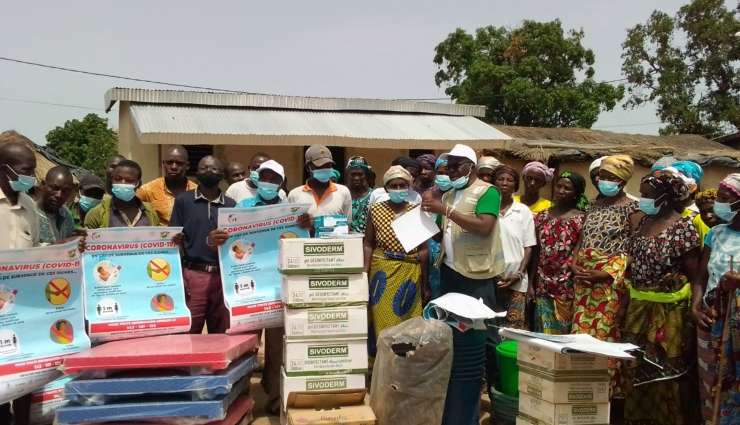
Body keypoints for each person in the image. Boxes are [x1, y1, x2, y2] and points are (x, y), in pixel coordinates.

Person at [421, 143, 502, 401]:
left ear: (471, 167)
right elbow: (439, 230)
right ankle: (461, 383)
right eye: (448, 167)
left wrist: (444, 209)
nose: (451, 172)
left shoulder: (487, 192)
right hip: (450, 271)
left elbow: (484, 227)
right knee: (453, 328)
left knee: (484, 331)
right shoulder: (449, 196)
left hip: (476, 274)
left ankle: (493, 388)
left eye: (457, 166)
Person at [622, 170, 700, 425]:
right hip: (638, 308)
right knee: (635, 367)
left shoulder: (683, 227)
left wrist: (694, 307)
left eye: (647, 195)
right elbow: (632, 267)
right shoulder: (643, 222)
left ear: (665, 197)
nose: (642, 200)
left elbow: (695, 275)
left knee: (667, 371)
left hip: (670, 313)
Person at [571, 155, 637, 399]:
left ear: (622, 180)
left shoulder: (633, 208)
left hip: (609, 284)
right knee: (582, 337)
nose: (603, 181)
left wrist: (605, 274)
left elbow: (632, 249)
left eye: (610, 178)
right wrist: (574, 263)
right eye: (601, 176)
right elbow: (582, 239)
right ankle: (583, 390)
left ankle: (605, 395)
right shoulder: (592, 204)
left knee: (605, 336)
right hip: (584, 283)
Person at [364, 165, 429, 358]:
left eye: (403, 185)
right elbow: (368, 243)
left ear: (409, 187)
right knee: (382, 324)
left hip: (409, 274)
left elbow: (424, 249)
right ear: (386, 188)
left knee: (408, 326)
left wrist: (424, 284)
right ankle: (383, 368)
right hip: (382, 273)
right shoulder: (375, 210)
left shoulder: (417, 212)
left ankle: (404, 370)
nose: (399, 189)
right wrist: (364, 273)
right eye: (394, 185)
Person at [0, 132, 40, 425]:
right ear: (5, 170)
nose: (31, 177)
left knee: (25, 373)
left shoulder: (29, 205)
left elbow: (36, 248)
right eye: (26, 172)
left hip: (24, 305)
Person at [693, 173, 740, 424]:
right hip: (711, 319)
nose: (719, 204)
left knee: (734, 385)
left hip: (738, 323)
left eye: (725, 199)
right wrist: (695, 306)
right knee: (710, 383)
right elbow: (700, 276)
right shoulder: (716, 233)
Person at [531, 171, 587, 334]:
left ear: (576, 193)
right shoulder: (542, 216)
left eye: (567, 188)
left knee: (563, 333)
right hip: (543, 284)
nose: (561, 191)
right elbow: (536, 251)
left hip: (567, 286)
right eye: (559, 186)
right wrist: (531, 284)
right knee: (543, 332)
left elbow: (580, 250)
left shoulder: (582, 219)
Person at [493, 165, 535, 329]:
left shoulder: (523, 211)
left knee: (514, 327)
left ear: (516, 186)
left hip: (517, 280)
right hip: (490, 278)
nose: (504, 183)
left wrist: (518, 274)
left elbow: (529, 247)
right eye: (500, 179)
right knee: (491, 324)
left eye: (509, 180)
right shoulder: (487, 209)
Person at [288, 145, 352, 233]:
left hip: (334, 246)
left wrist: (315, 225)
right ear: (308, 167)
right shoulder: (294, 195)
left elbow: (347, 227)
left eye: (328, 165)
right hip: (304, 246)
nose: (324, 169)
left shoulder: (343, 192)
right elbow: (289, 229)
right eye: (320, 166)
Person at [85, 160, 159, 228]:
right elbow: (87, 239)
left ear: (138, 184)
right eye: (117, 179)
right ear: (112, 180)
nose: (122, 183)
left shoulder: (150, 212)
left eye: (129, 180)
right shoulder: (96, 214)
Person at [137, 145, 197, 225]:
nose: (173, 167)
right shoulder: (148, 190)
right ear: (163, 164)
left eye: (179, 163)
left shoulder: (197, 191)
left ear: (187, 166)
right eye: (169, 162)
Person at [428, 155, 451, 299]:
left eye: (447, 173)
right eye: (440, 173)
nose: (444, 176)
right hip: (431, 254)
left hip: (451, 256)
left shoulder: (458, 195)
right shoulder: (428, 195)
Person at [37, 166, 77, 245]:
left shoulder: (65, 214)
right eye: (55, 188)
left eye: (65, 191)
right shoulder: (30, 214)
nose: (59, 195)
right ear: (43, 185)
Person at [345, 156, 373, 233]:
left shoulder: (373, 196)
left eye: (360, 174)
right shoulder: (341, 195)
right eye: (353, 174)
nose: (356, 178)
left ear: (366, 175)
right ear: (347, 174)